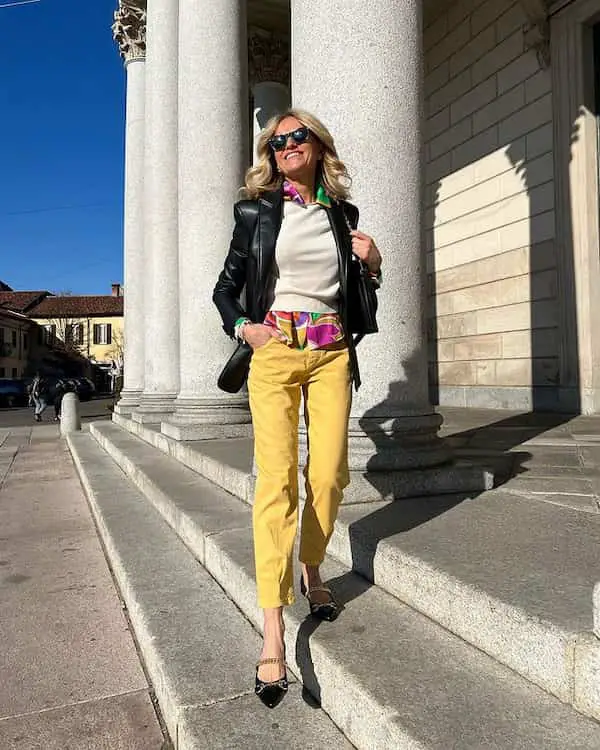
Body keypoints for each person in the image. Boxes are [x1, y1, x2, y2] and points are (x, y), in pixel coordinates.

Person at [213, 109, 382, 708]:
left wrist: (373, 262)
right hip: (276, 353)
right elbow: (225, 288)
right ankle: (273, 634)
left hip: (332, 351)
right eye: (276, 141)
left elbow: (361, 292)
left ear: (317, 147)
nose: (285, 146)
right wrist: (245, 328)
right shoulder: (257, 213)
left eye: (295, 137)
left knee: (330, 474)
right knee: (277, 483)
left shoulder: (343, 216)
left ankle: (312, 566)